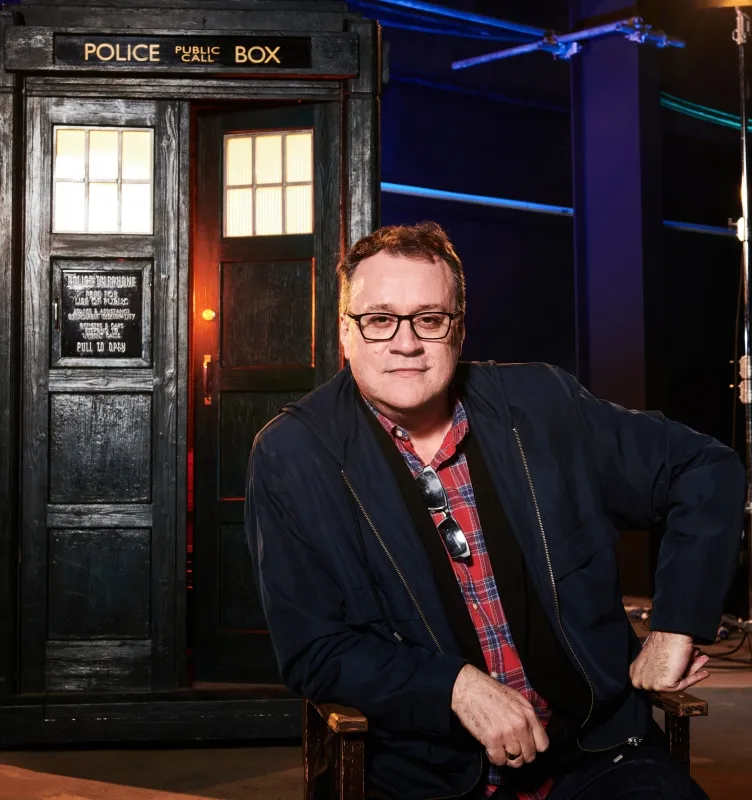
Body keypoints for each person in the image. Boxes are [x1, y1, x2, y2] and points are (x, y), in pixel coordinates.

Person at [244, 222, 743, 799]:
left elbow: (705, 468)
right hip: (427, 775)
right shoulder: (291, 455)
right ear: (345, 332)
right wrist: (454, 687)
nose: (406, 343)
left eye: (429, 319)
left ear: (458, 329)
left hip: (596, 753)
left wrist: (676, 627)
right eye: (380, 319)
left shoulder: (543, 404)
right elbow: (314, 649)